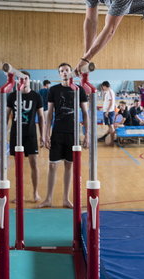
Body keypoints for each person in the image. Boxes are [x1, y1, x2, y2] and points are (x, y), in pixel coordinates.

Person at [39, 63, 89, 208]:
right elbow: (49, 115)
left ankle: (66, 199)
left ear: (71, 72)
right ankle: (48, 198)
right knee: (53, 166)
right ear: (59, 74)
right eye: (62, 71)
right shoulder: (54, 90)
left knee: (69, 166)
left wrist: (87, 134)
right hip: (58, 132)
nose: (65, 72)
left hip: (73, 134)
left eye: (67, 70)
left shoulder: (79, 90)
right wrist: (45, 134)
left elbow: (85, 113)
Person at [7, 71, 45, 203]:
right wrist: (4, 131)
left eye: (26, 79)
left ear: (29, 80)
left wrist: (43, 135)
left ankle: (35, 193)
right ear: (18, 81)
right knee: (18, 166)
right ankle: (20, 194)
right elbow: (6, 115)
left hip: (31, 134)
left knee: (34, 163)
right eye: (21, 79)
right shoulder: (12, 96)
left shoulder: (36, 96)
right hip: (16, 134)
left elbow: (41, 117)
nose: (24, 81)